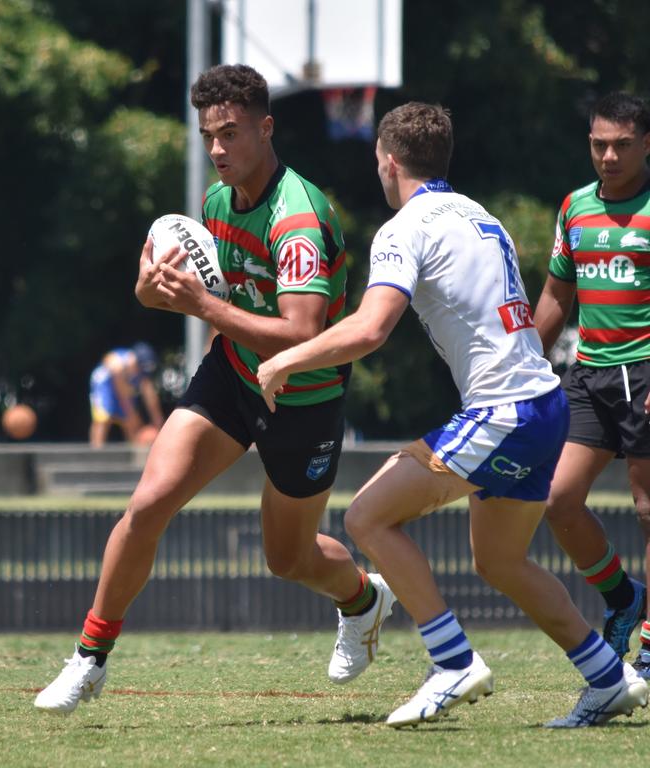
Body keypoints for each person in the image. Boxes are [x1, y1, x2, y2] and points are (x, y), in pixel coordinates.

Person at [256, 102, 649, 728]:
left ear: (389, 163)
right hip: (544, 403)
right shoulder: (478, 213)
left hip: (505, 410)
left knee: (367, 516)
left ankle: (452, 662)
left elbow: (371, 328)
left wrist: (286, 362)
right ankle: (608, 678)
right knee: (500, 561)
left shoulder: (404, 227)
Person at [35, 64, 395, 714]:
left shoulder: (298, 219)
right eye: (208, 135)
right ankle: (89, 659)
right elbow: (211, 302)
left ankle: (364, 599)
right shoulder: (215, 204)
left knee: (287, 559)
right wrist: (155, 295)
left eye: (230, 133)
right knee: (147, 506)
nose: (218, 149)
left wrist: (199, 305)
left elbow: (300, 330)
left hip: (304, 399)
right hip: (231, 376)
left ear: (266, 126)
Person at [533, 92, 650, 674]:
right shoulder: (575, 208)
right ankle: (625, 598)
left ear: (646, 144)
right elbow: (558, 293)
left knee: (648, 509)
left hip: (646, 372)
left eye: (622, 145)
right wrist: (521, 357)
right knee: (558, 499)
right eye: (600, 144)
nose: (609, 156)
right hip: (591, 373)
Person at [88, 342, 164, 448]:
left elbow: (149, 394)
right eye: (140, 367)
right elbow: (121, 390)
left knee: (130, 424)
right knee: (103, 418)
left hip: (124, 390)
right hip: (104, 386)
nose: (140, 371)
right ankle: (96, 451)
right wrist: (131, 412)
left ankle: (134, 455)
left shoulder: (141, 371)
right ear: (135, 360)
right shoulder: (117, 362)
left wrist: (158, 421)